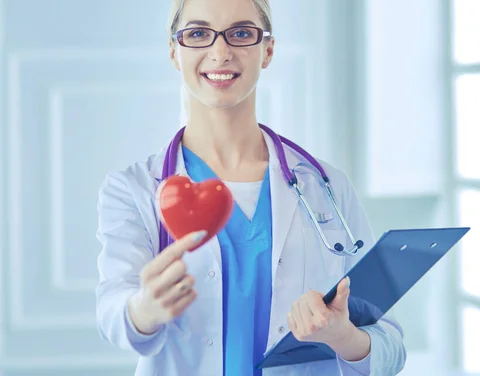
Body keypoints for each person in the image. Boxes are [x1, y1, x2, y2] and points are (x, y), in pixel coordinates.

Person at [94, 0, 407, 375]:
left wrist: (342, 337)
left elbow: (390, 344)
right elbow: (113, 313)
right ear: (174, 51)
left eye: (241, 33)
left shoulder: (327, 186)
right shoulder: (134, 190)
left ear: (268, 49)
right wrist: (144, 309)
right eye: (197, 34)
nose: (220, 52)